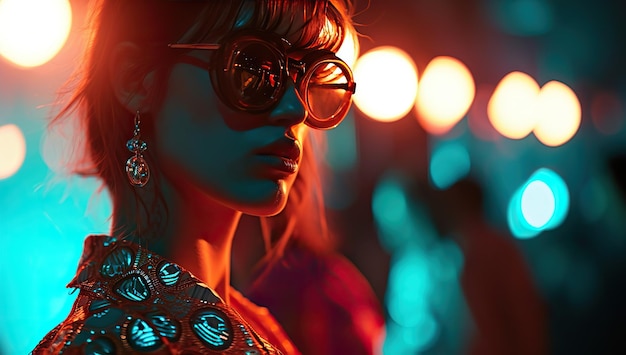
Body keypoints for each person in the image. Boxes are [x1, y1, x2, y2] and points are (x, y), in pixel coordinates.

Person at [32, 0, 364, 353]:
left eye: (310, 76)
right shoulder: (105, 342)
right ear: (135, 78)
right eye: (251, 68)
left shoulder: (250, 323)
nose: (295, 109)